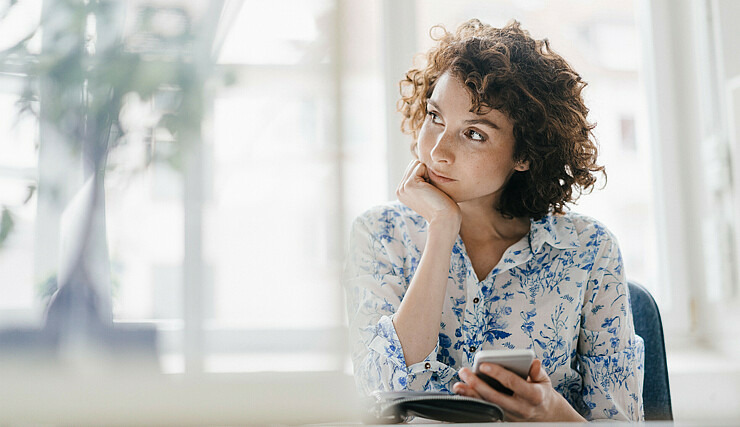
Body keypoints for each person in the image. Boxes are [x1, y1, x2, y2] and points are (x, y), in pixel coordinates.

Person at [342, 19, 644, 422]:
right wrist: (441, 230)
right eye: (435, 117)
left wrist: (551, 412)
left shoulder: (589, 251)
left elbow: (622, 419)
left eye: (475, 134)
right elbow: (385, 394)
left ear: (524, 154)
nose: (438, 151)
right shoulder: (379, 236)